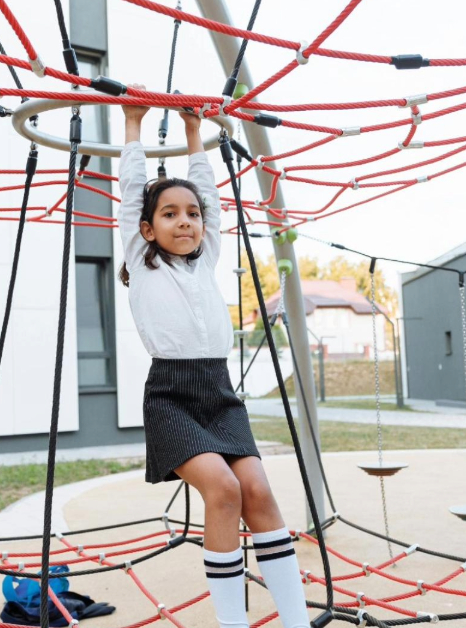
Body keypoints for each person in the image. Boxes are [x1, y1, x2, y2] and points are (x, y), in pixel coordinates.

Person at [116, 86, 310, 628]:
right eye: (170, 214)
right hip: (172, 396)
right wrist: (133, 125)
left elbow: (211, 196)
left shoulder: (207, 261)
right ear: (148, 228)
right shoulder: (143, 257)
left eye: (192, 214)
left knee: (257, 490)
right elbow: (131, 191)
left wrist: (193, 134)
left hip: (219, 392)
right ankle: (232, 623)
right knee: (223, 490)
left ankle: (294, 619)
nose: (186, 221)